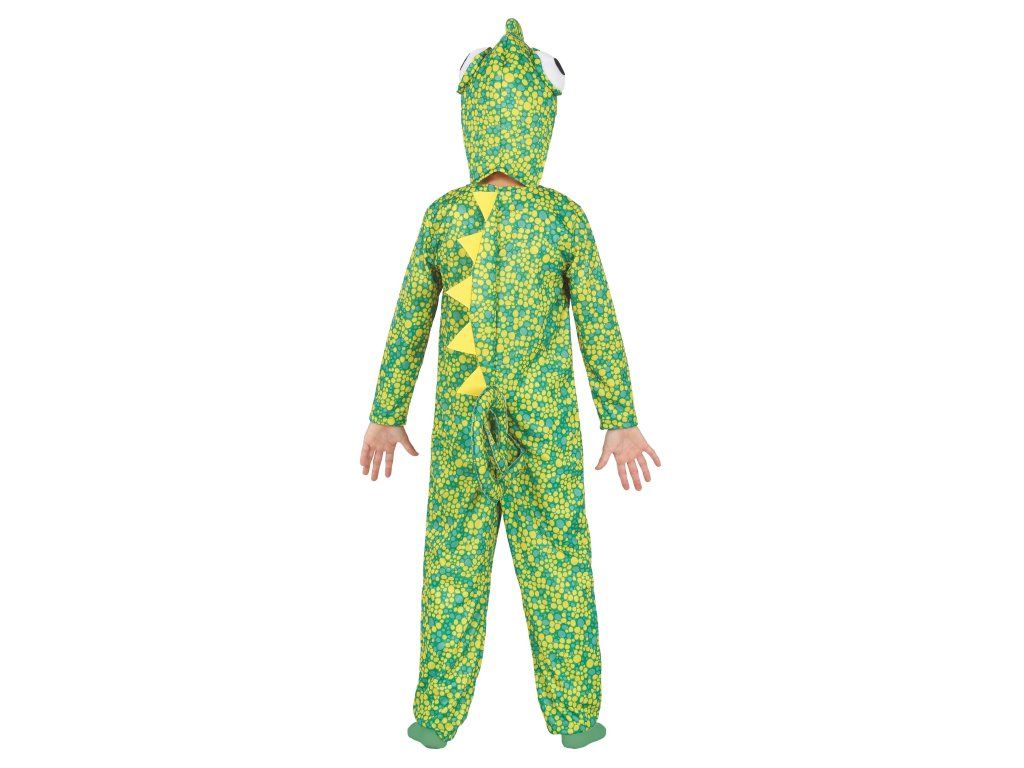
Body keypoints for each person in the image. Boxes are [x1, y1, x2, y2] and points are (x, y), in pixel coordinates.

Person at [360, 18, 660, 750]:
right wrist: (618, 417)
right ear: (540, 120)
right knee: (552, 560)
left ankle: (441, 715)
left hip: (475, 423)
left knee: (455, 564)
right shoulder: (557, 219)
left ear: (472, 115)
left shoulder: (455, 216)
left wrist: (387, 410)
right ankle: (571, 715)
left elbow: (411, 320)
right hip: (539, 423)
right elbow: (597, 321)